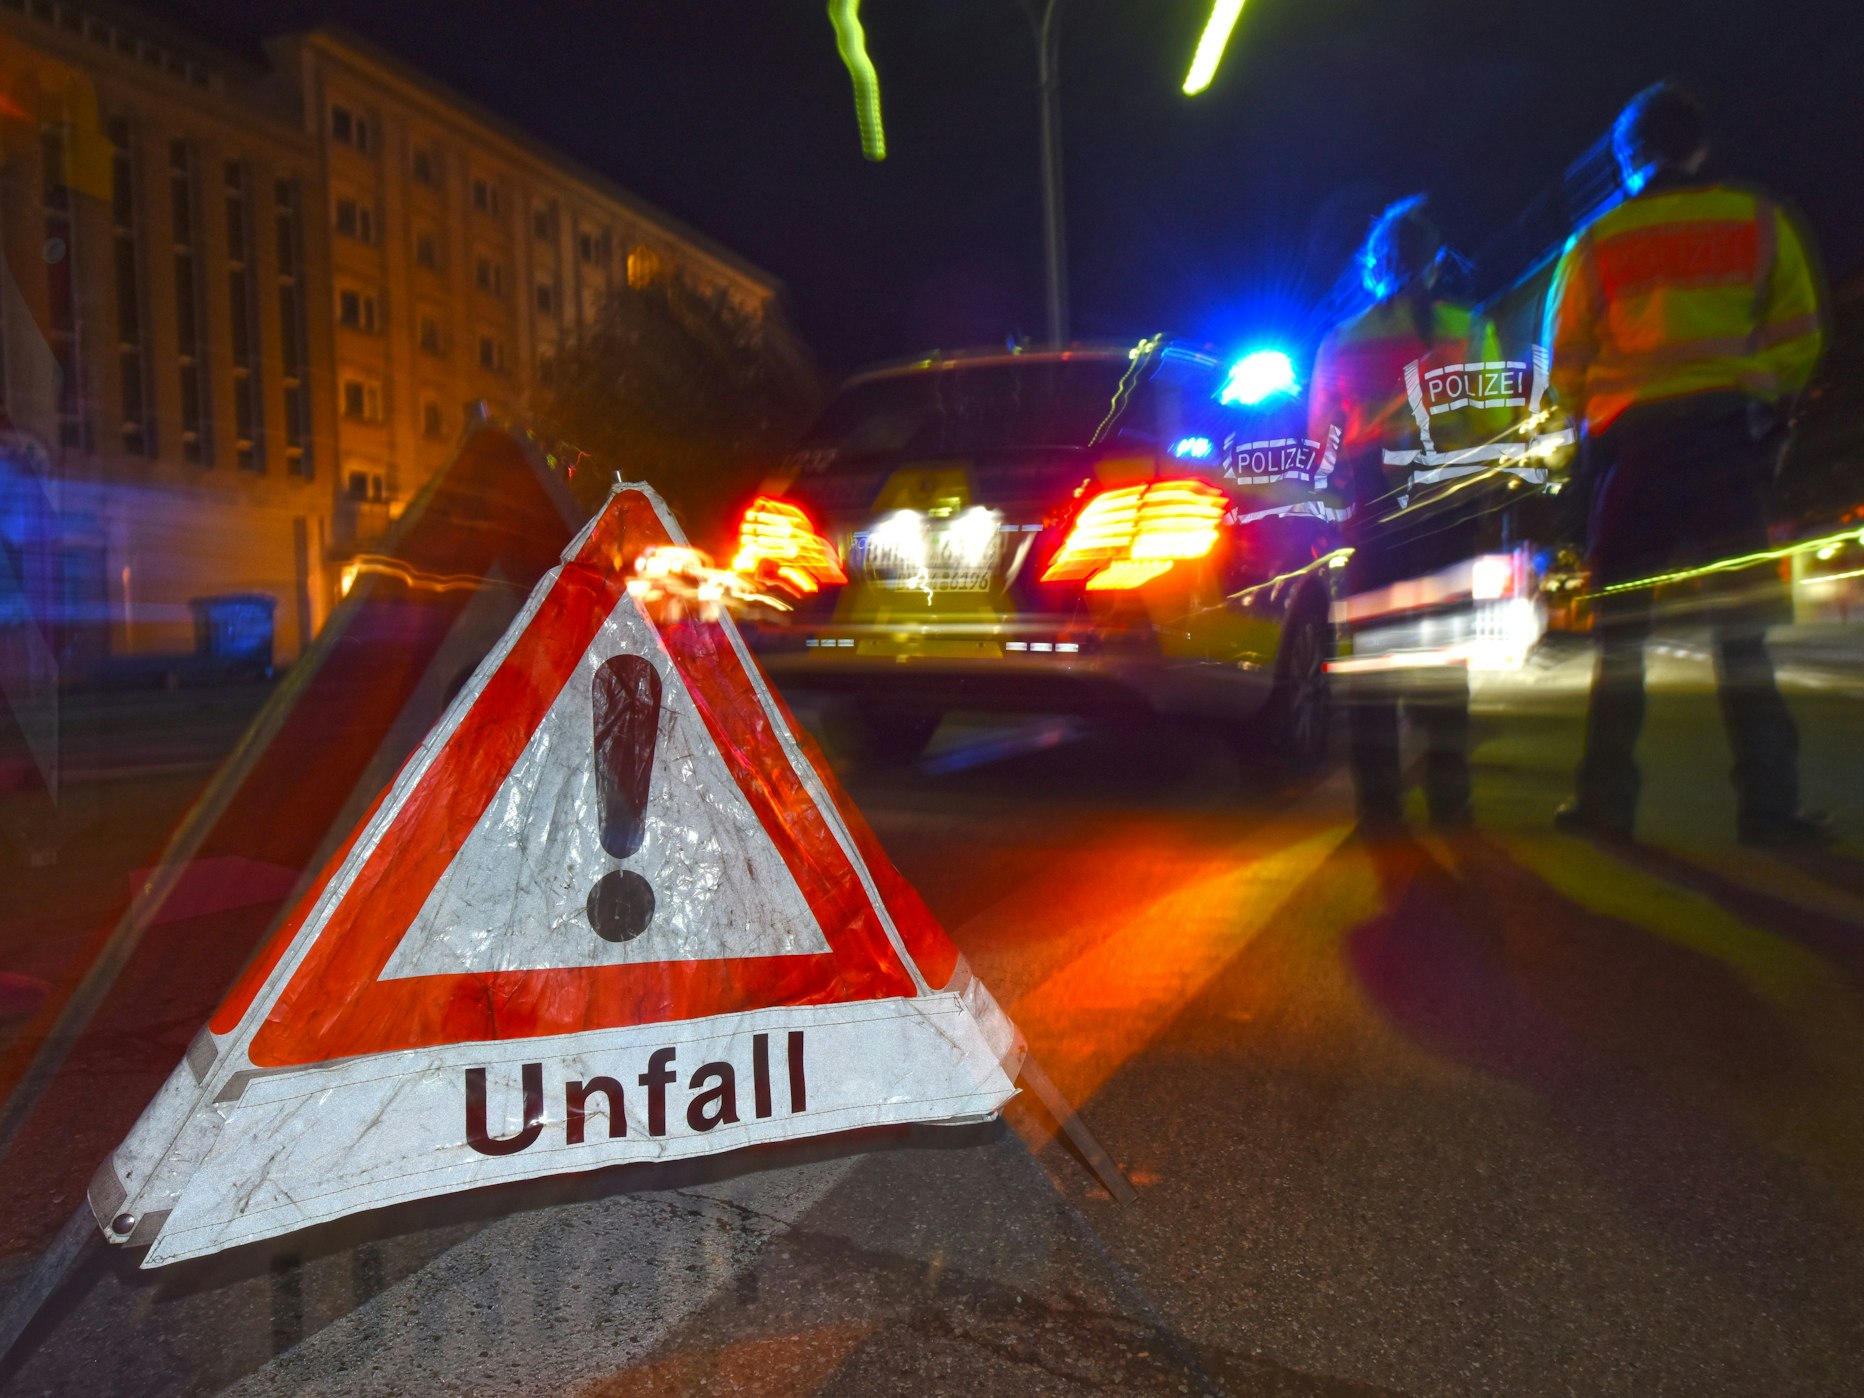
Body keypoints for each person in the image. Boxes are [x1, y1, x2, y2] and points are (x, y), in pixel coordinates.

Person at [1543, 82, 1828, 845]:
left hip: (1633, 455)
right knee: (1743, 637)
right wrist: (1762, 408)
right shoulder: (1757, 221)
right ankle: (1769, 810)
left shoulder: (1596, 244)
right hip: (1723, 448)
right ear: (1699, 147)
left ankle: (1605, 805)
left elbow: (1564, 364)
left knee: (1622, 639)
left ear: (1627, 158)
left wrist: (1594, 422)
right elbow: (1797, 335)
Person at [1308, 196, 1518, 833]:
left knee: (1374, 655)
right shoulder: (1468, 327)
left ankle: (1379, 810)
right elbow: (1496, 424)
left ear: (1374, 266)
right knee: (1443, 656)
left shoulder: (1342, 340)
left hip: (1374, 503)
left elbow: (1324, 440)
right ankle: (1451, 802)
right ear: (1434, 265)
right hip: (1447, 504)